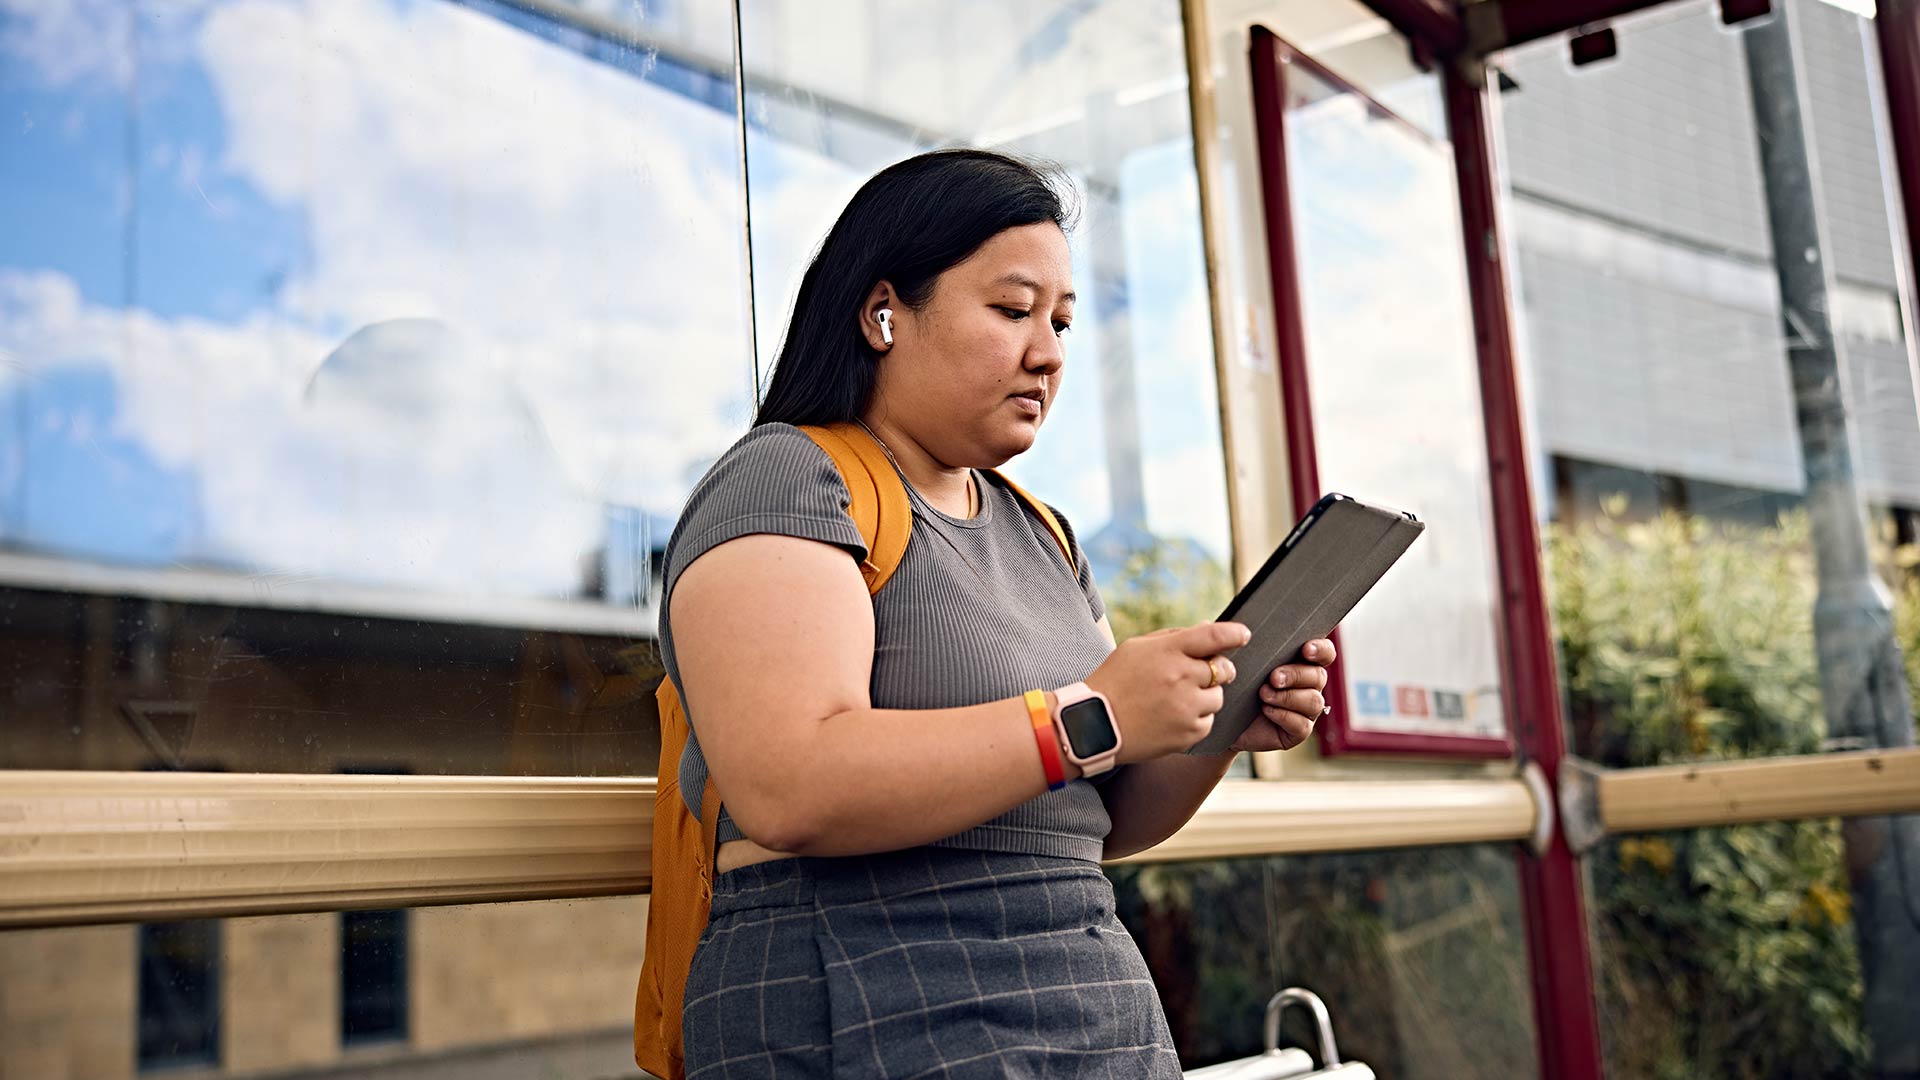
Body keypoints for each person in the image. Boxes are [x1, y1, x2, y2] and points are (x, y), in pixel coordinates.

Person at [659, 148, 1335, 1078]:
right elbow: (789, 784)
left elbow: (1109, 816)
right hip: (874, 996)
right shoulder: (792, 475)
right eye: (1012, 310)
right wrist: (1092, 716)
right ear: (883, 312)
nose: (1049, 353)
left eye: (1060, 322)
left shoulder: (1042, 532)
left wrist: (1219, 726)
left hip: (1090, 1001)